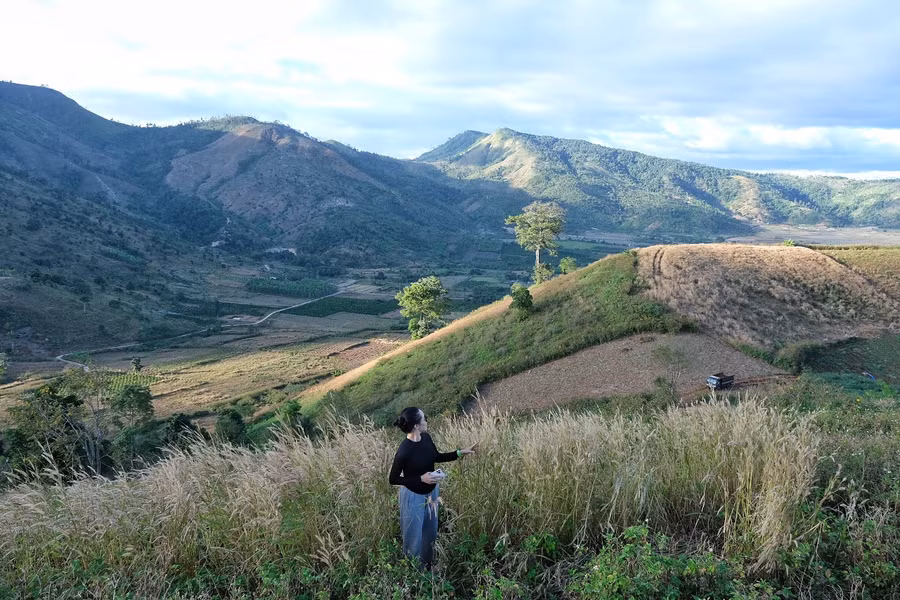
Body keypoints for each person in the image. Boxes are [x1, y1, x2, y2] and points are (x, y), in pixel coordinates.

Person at [389, 407, 477, 570]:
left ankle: (427, 568)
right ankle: (413, 574)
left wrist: (459, 453)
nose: (426, 421)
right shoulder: (404, 450)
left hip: (432, 493)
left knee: (430, 533)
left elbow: (436, 456)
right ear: (416, 426)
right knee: (413, 538)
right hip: (413, 496)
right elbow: (393, 479)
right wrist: (420, 478)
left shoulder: (426, 438)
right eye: (424, 418)